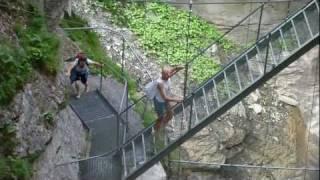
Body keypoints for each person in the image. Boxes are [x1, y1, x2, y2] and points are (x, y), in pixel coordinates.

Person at [154, 65, 184, 131]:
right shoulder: (160, 83)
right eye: (167, 74)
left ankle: (163, 126)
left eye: (169, 74)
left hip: (165, 100)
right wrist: (177, 100)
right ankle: (156, 130)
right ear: (163, 74)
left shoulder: (167, 76)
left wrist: (177, 68)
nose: (169, 75)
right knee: (161, 117)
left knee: (170, 114)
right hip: (160, 102)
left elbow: (171, 71)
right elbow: (165, 97)